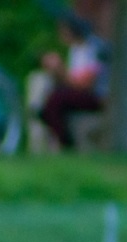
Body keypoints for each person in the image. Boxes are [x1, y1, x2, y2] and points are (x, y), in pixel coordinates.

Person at [35, 16, 102, 151]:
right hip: (80, 93)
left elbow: (86, 84)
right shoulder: (75, 50)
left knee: (56, 100)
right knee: (51, 99)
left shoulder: (93, 49)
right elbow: (72, 80)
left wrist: (60, 70)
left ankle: (65, 143)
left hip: (96, 96)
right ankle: (61, 137)